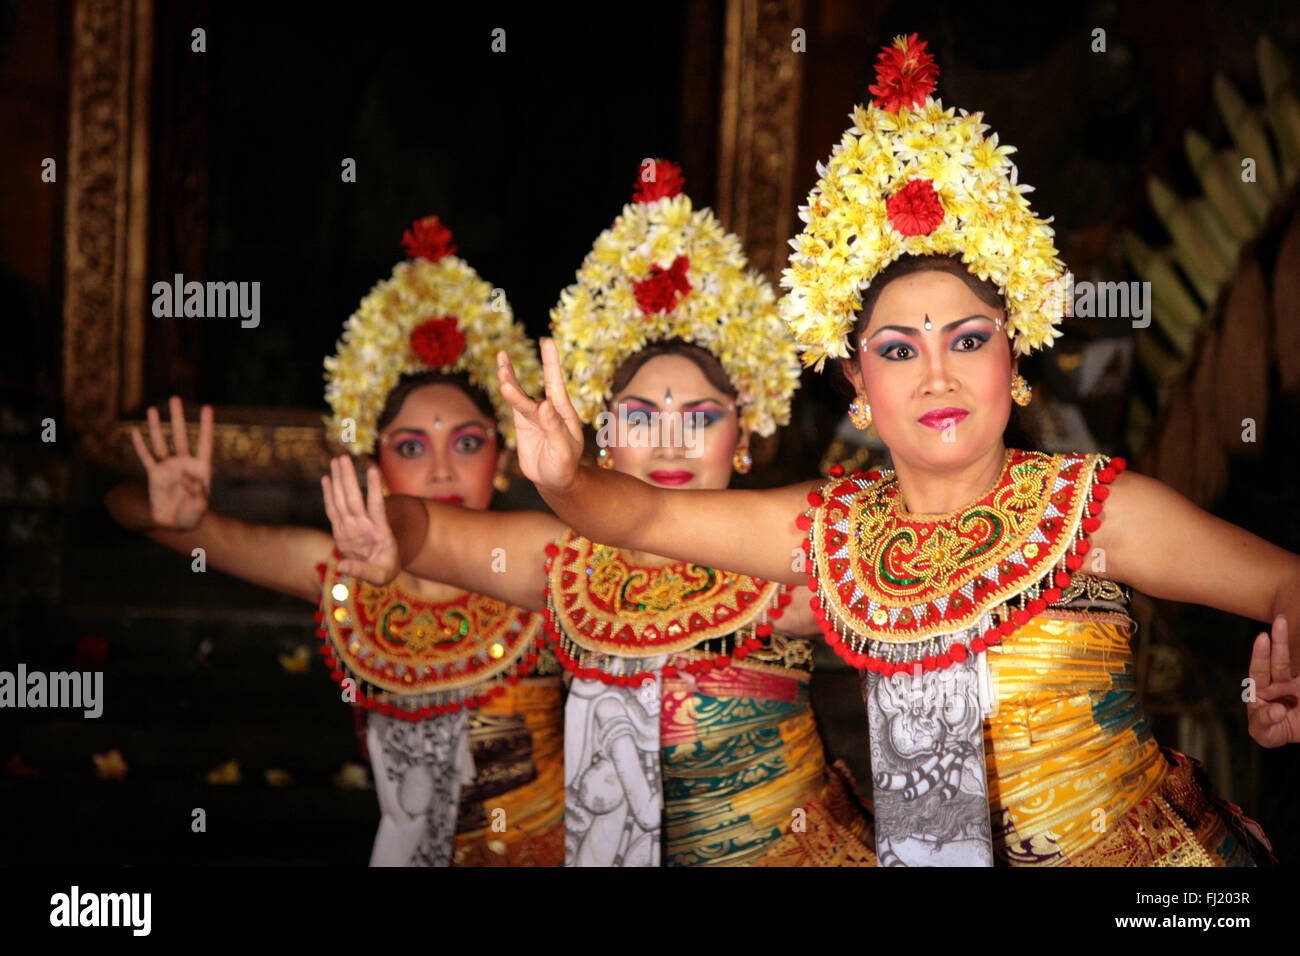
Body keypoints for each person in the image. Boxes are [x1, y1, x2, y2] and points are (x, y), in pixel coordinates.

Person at [493, 37, 1298, 866]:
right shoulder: (831, 531)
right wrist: (565, 477)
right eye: (900, 349)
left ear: (1013, 358)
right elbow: (646, 514)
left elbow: (1287, 585)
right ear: (857, 379)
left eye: (969, 339)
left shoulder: (1098, 509)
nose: (937, 376)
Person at [324, 162, 877, 866]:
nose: (671, 441)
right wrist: (391, 530)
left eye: (701, 417)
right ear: (603, 438)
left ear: (744, 435)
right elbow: (430, 528)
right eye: (641, 417)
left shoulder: (781, 546)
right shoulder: (568, 564)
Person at [106, 216, 562, 866]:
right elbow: (120, 509)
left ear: (505, 458)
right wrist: (164, 513)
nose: (440, 470)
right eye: (411, 446)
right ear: (375, 464)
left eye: (466, 443)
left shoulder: (545, 563)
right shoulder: (342, 571)